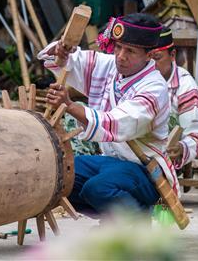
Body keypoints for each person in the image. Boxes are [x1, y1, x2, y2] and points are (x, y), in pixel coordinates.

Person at [39, 13, 177, 216]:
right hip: (111, 162)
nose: (121, 56)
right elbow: (72, 61)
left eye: (130, 51)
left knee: (97, 188)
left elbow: (117, 124)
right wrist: (63, 52)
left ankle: (136, 221)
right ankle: (116, 220)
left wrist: (69, 105)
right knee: (59, 176)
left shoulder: (154, 88)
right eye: (118, 47)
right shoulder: (110, 66)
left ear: (149, 55)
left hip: (145, 171)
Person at [147, 26, 198, 169]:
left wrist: (180, 148)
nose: (151, 65)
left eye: (157, 58)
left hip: (166, 160)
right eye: (147, 58)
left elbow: (195, 135)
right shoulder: (137, 76)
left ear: (172, 55)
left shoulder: (185, 85)